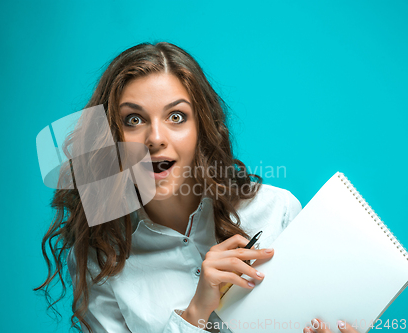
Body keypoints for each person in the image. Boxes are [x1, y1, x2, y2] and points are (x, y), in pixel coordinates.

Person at [34, 41, 360, 333]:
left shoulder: (277, 211)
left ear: (201, 129)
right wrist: (195, 314)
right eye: (134, 120)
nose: (156, 138)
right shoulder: (101, 259)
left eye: (176, 117)